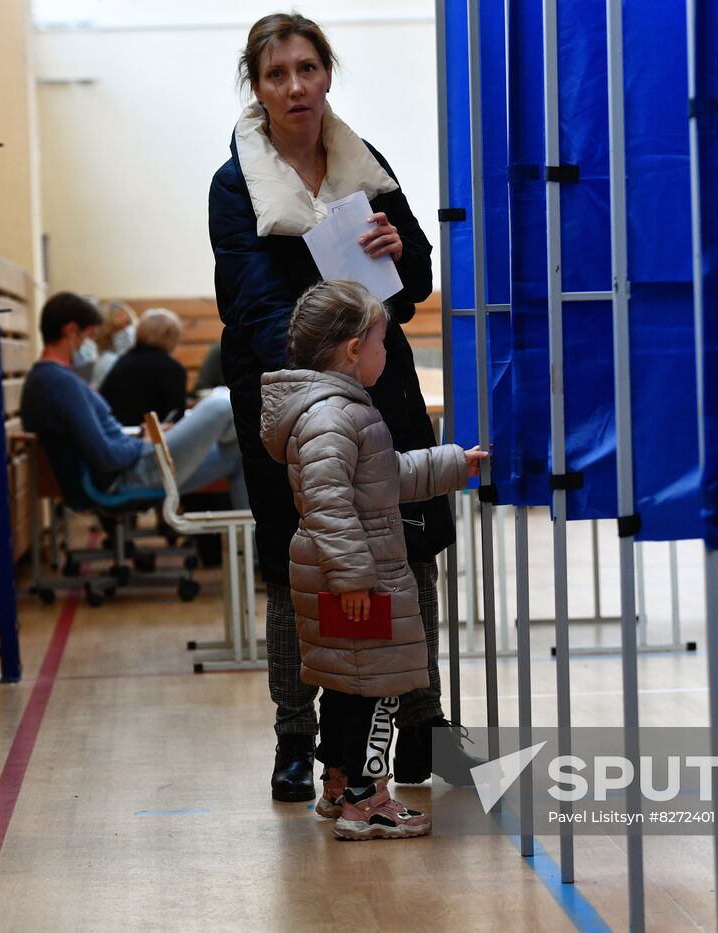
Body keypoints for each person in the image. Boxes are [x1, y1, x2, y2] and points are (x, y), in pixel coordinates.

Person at [210, 11, 476, 803]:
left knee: (408, 550)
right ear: (256, 88)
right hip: (297, 401)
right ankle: (301, 737)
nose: (296, 86)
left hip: (380, 384)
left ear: (327, 74)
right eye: (276, 73)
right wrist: (338, 364)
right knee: (305, 566)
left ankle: (419, 722)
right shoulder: (237, 184)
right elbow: (258, 311)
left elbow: (419, 277)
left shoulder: (367, 161)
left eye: (307, 68)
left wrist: (401, 250)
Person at [261, 281, 486, 838]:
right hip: (355, 577)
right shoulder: (333, 415)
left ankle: (338, 787)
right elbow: (329, 502)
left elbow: (382, 479)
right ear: (354, 348)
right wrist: (355, 578)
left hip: (340, 574)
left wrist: (457, 464)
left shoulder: (334, 411)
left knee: (345, 683)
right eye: (384, 343)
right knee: (372, 688)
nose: (390, 355)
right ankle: (370, 802)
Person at [20, 292, 247, 510]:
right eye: (89, 336)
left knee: (241, 449)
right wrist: (145, 443)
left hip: (133, 465)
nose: (90, 346)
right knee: (221, 404)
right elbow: (107, 457)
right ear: (71, 331)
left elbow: (102, 441)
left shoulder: (45, 379)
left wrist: (139, 435)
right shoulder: (59, 383)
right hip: (131, 473)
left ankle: (255, 547)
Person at [100, 308, 190, 427]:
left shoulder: (122, 361)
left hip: (114, 433)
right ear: (172, 336)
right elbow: (176, 418)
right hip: (151, 439)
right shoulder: (174, 370)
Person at [89, 301, 137, 390]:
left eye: (128, 324)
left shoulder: (134, 359)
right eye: (119, 328)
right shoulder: (107, 361)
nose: (126, 331)